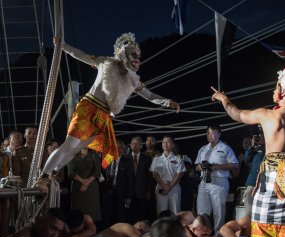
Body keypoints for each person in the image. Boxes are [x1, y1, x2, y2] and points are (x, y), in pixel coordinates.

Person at [35, 32, 180, 192]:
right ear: (124, 54)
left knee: (75, 149)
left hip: (103, 117)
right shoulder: (105, 62)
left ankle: (51, 174)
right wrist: (62, 45)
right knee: (69, 144)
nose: (137, 59)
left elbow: (150, 96)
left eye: (139, 56)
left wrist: (168, 102)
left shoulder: (133, 80)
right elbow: (81, 55)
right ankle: (42, 176)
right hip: (89, 108)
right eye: (133, 54)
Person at [211, 68, 285, 237]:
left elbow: (235, 113)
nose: (274, 91)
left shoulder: (267, 115)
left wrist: (223, 98)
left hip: (271, 181)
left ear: (283, 90)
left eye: (275, 87)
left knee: (263, 232)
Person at [194, 124, 238, 236]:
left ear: (219, 134)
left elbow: (235, 164)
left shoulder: (225, 148)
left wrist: (219, 166)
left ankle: (218, 235)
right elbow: (196, 166)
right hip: (204, 182)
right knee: (202, 210)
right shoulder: (203, 149)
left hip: (219, 182)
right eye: (208, 133)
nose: (210, 135)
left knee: (218, 211)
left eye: (213, 133)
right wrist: (200, 167)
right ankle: (203, 234)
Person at [150, 135, 186, 215]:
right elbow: (154, 174)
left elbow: (179, 173)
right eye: (163, 142)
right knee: (161, 212)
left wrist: (169, 187)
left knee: (176, 212)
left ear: (173, 145)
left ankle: (176, 227)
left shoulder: (178, 158)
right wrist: (164, 186)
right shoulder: (156, 158)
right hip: (161, 187)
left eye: (168, 142)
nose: (165, 144)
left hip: (174, 187)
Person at [102, 139, 134, 226]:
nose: (118, 149)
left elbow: (130, 180)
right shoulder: (107, 159)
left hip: (121, 193)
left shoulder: (127, 161)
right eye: (116, 147)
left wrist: (128, 196)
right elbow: (102, 174)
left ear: (123, 149)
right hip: (108, 192)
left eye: (120, 148)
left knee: (121, 217)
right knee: (107, 216)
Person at [68, 147, 102, 223]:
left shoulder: (94, 155)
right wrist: (83, 181)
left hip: (91, 188)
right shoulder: (73, 155)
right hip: (77, 187)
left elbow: (97, 172)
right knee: (78, 215)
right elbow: (70, 172)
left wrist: (87, 183)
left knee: (92, 213)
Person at [127, 136, 153, 223]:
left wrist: (149, 191)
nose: (134, 145)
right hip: (128, 193)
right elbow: (122, 178)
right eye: (133, 143)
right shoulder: (125, 158)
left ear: (141, 146)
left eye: (137, 143)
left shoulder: (147, 159)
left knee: (142, 216)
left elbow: (149, 177)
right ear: (130, 145)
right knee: (129, 216)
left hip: (142, 192)